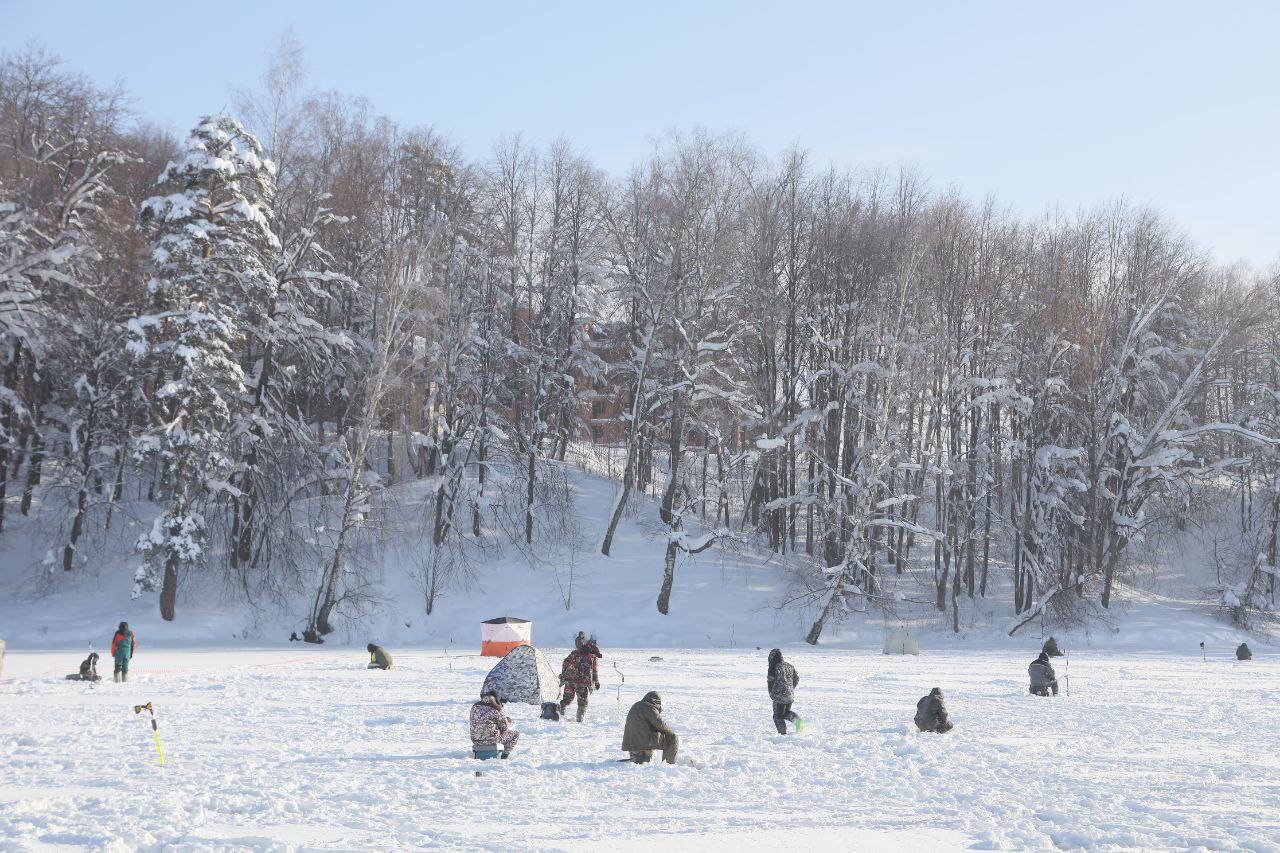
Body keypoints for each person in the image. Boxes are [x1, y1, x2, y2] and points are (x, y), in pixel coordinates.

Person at [622, 690, 679, 764]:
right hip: (643, 742)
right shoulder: (649, 707)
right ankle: (668, 765)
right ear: (657, 701)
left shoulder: (637, 705)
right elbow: (660, 725)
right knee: (673, 738)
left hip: (631, 743)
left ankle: (638, 756)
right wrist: (671, 732)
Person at [558, 631, 603, 722]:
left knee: (567, 700)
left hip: (570, 680)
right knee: (582, 702)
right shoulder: (592, 656)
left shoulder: (574, 653)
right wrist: (596, 682)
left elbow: (565, 663)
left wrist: (563, 676)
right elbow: (594, 671)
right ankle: (579, 719)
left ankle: (560, 715)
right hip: (582, 682)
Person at [469, 690, 518, 759]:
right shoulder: (496, 709)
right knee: (515, 734)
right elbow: (504, 728)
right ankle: (504, 755)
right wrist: (507, 721)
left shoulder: (475, 707)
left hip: (476, 740)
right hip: (492, 740)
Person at [767, 648, 803, 734]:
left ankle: (782, 734)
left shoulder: (773, 667)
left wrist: (771, 693)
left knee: (778, 716)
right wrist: (790, 688)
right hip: (789, 695)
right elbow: (796, 679)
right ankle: (798, 721)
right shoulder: (789, 666)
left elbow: (770, 682)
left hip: (779, 696)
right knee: (785, 713)